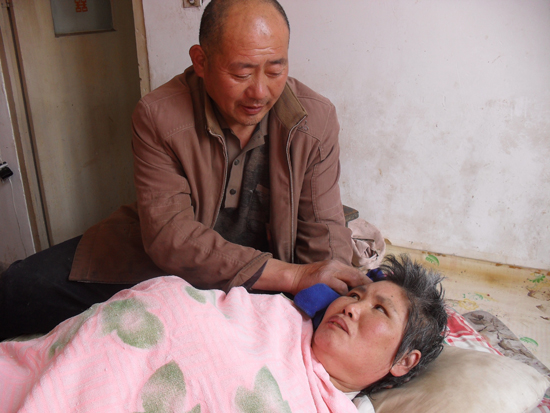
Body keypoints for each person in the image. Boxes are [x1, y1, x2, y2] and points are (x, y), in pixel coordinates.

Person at [0, 0, 368, 340]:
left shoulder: (313, 120)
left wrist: (328, 288)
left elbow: (324, 234)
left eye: (276, 69)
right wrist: (295, 275)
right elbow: (170, 237)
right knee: (17, 288)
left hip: (266, 278)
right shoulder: (158, 115)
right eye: (241, 73)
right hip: (164, 265)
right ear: (201, 61)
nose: (260, 92)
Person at [0, 254, 448, 412]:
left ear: (404, 360)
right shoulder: (275, 317)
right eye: (354, 293)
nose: (352, 306)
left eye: (378, 309)